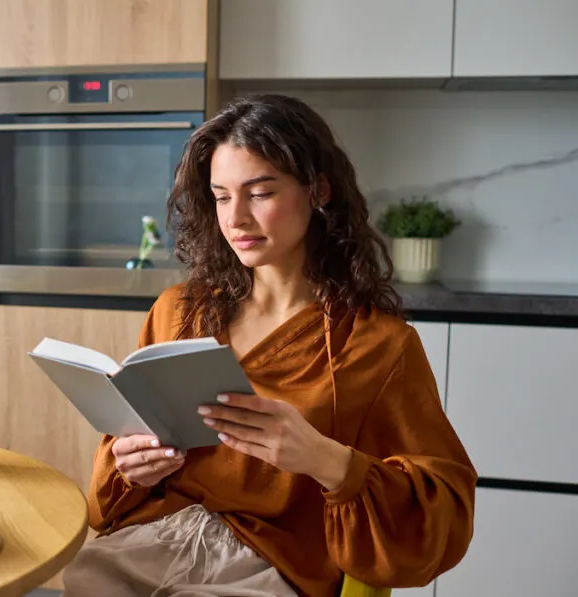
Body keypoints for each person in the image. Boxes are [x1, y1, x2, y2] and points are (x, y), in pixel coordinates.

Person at [60, 94, 477, 597]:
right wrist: (131, 465)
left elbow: (443, 507)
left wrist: (327, 461)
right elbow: (118, 465)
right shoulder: (178, 311)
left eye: (259, 193)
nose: (235, 218)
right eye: (220, 196)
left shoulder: (377, 346)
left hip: (274, 569)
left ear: (318, 190)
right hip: (152, 541)